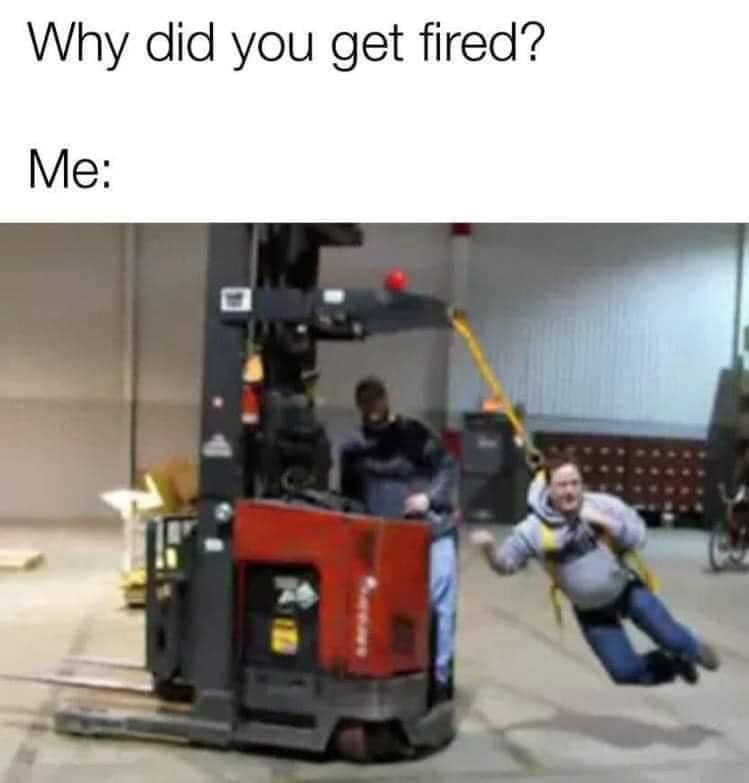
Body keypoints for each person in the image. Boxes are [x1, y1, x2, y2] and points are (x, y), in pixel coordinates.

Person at [470, 454, 720, 686]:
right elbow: (504, 566)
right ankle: (674, 666)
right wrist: (489, 549)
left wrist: (606, 523)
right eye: (562, 485)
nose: (570, 491)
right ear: (549, 489)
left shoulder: (602, 505)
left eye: (575, 483)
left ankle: (691, 648)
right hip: (591, 611)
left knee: (674, 639)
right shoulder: (533, 529)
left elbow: (639, 536)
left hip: (626, 591)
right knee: (624, 672)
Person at [339, 376, 459, 701]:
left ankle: (440, 679)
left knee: (439, 605)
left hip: (430, 531)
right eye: (365, 399)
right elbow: (348, 496)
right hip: (384, 541)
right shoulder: (353, 447)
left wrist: (429, 498)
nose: (372, 405)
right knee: (383, 607)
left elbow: (448, 467)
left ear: (386, 398)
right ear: (359, 405)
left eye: (376, 397)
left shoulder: (414, 434)